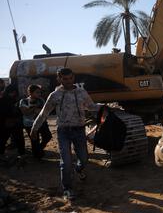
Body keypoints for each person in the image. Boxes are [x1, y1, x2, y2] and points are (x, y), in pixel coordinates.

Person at [31, 68, 98, 201]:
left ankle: (79, 169)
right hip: (63, 132)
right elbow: (44, 113)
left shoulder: (81, 92)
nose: (68, 81)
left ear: (73, 78)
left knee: (84, 159)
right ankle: (67, 189)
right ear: (59, 79)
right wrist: (34, 128)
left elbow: (91, 106)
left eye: (70, 78)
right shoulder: (54, 95)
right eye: (64, 79)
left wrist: (104, 108)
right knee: (66, 162)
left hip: (79, 130)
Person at [19, 84, 52, 160]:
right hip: (29, 124)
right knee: (34, 140)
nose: (39, 94)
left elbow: (44, 112)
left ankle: (39, 149)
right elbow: (25, 112)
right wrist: (35, 109)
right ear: (30, 93)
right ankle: (37, 156)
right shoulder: (23, 101)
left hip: (41, 122)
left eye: (39, 92)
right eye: (37, 92)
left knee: (47, 136)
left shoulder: (41, 100)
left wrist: (31, 109)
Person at [0, 84, 25, 163]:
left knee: (18, 139)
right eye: (12, 92)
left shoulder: (15, 99)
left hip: (13, 123)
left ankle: (22, 154)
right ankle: (21, 154)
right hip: (7, 123)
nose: (13, 93)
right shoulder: (4, 100)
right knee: (4, 139)